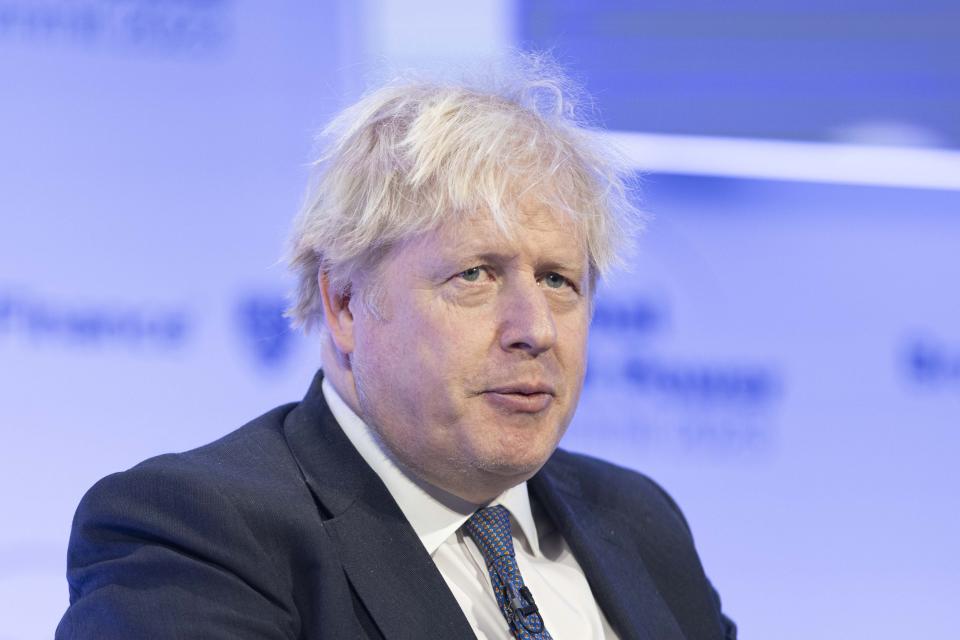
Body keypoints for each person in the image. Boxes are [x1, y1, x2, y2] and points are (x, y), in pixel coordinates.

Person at [57, 58, 736, 639]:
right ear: (346, 304)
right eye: (476, 274)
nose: (537, 328)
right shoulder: (197, 534)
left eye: (559, 281)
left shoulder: (639, 520)